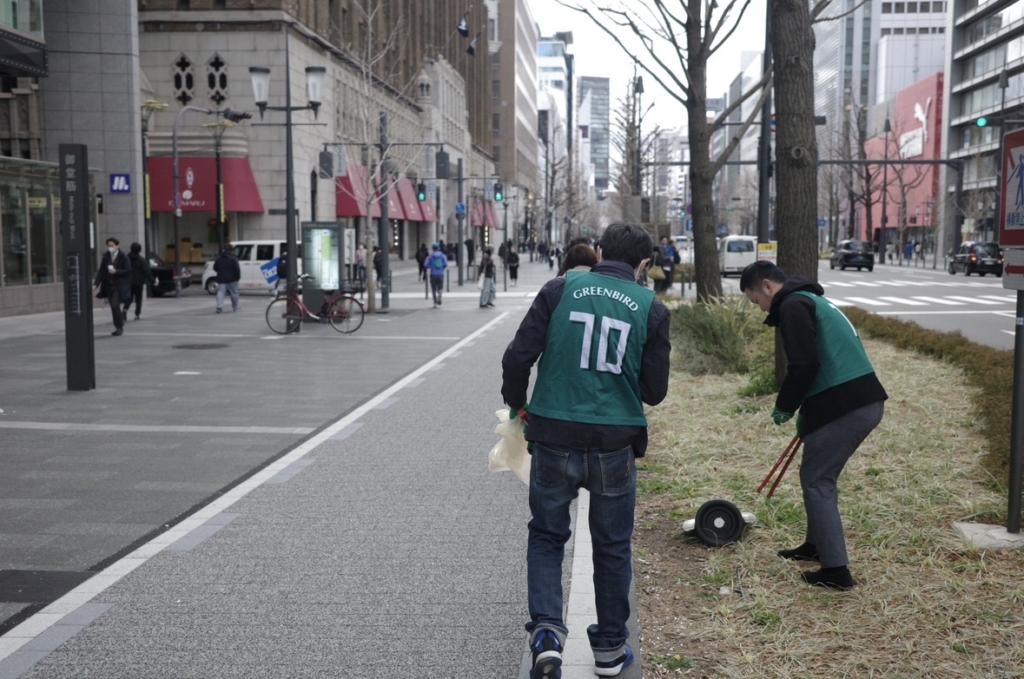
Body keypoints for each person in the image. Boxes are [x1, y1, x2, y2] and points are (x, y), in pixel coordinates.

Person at [501, 223, 671, 679]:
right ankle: (611, 649)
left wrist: (517, 404)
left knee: (547, 535)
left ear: (598, 252)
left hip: (554, 432)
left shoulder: (559, 290)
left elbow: (517, 357)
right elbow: (654, 391)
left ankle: (547, 636)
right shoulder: (652, 308)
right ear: (644, 263)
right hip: (615, 440)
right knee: (612, 545)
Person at [739, 260, 887, 590]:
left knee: (817, 479)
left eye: (756, 300)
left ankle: (836, 571)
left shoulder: (793, 306)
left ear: (767, 286)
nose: (760, 308)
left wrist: (785, 406)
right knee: (816, 474)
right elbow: (821, 363)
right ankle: (816, 545)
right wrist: (808, 411)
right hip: (856, 399)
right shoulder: (810, 299)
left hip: (848, 404)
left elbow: (804, 365)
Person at [93, 237, 131, 336]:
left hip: (119, 285)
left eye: (112, 245)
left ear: (117, 246)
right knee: (114, 307)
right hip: (109, 285)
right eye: (108, 246)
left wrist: (116, 271)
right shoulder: (106, 257)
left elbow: (128, 270)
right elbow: (101, 271)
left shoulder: (123, 257)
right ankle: (118, 325)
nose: (110, 247)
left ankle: (119, 326)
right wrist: (96, 283)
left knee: (115, 305)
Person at [122, 242, 154, 321]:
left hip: (128, 281)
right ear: (139, 250)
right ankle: (137, 314)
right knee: (138, 299)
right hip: (139, 282)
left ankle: (125, 309)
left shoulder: (126, 258)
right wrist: (152, 280)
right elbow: (147, 271)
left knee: (129, 298)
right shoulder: (141, 260)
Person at [214, 242, 242, 313]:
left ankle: (219, 307)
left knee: (220, 292)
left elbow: (215, 267)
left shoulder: (219, 258)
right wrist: (237, 277)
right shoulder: (233, 258)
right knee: (234, 292)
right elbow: (237, 269)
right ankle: (235, 306)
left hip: (221, 278)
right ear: (231, 250)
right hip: (232, 279)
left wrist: (220, 272)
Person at [424, 242, 448, 308]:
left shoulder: (430, 256)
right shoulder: (442, 256)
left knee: (433, 289)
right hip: (440, 274)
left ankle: (435, 303)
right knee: (440, 287)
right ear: (439, 248)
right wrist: (442, 268)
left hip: (433, 274)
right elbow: (446, 264)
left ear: (432, 248)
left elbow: (425, 264)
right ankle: (439, 295)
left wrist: (430, 267)